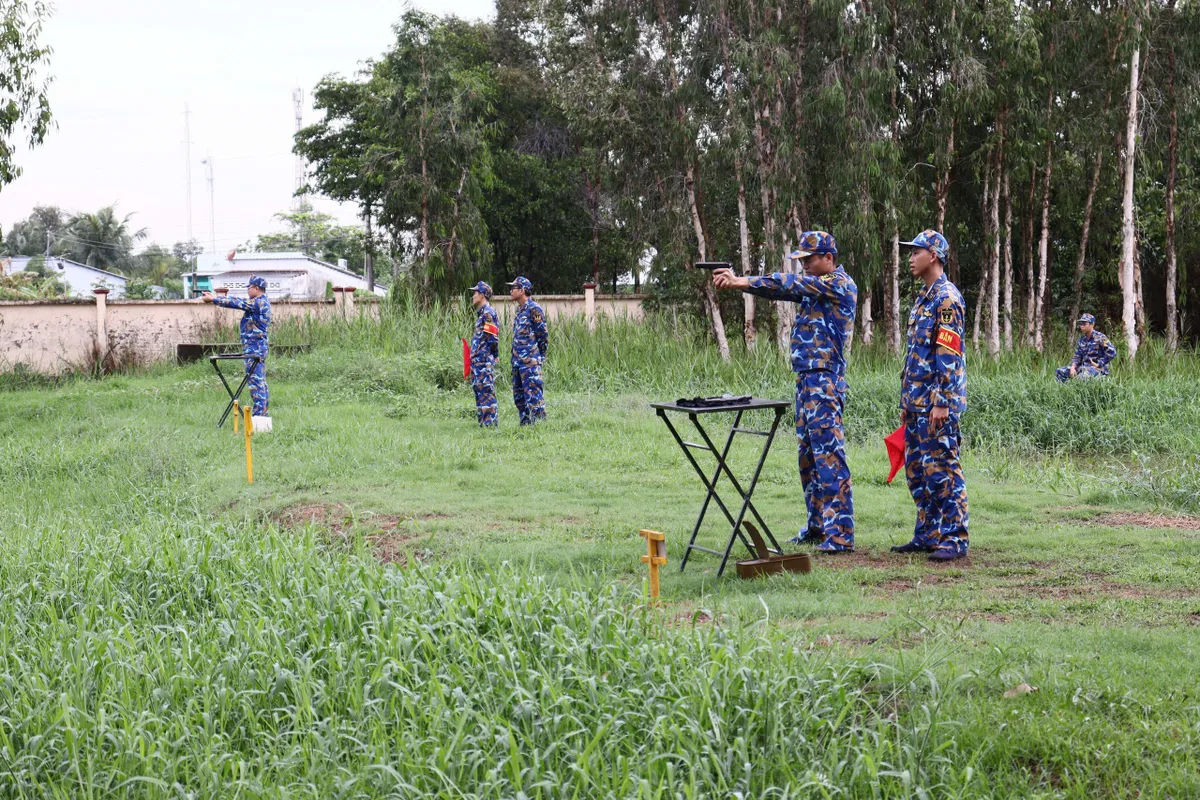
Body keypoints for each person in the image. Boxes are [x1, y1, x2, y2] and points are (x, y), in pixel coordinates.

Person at [712, 231, 857, 553]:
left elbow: (786, 284)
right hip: (806, 380)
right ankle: (818, 526)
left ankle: (840, 535)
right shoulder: (815, 287)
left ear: (829, 258)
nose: (804, 265)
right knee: (808, 458)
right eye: (801, 260)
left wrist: (741, 282)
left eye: (809, 259)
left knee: (828, 456)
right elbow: (785, 290)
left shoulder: (837, 284)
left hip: (825, 380)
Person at [892, 230, 969, 561]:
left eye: (915, 251)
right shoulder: (924, 297)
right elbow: (915, 356)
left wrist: (941, 401)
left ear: (933, 255)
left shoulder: (946, 298)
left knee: (942, 469)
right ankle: (928, 533)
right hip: (917, 402)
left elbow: (947, 354)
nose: (910, 258)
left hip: (936, 404)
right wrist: (906, 404)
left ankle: (954, 537)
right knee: (918, 472)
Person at [202, 276, 273, 432]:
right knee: (260, 383)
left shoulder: (258, 302)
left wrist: (214, 299)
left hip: (254, 349)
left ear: (255, 288)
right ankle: (263, 423)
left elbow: (236, 303)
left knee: (256, 385)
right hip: (257, 348)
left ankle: (259, 424)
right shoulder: (262, 302)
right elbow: (239, 301)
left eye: (249, 287)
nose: (247, 290)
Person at [507, 276, 548, 425]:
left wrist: (538, 356)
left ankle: (539, 426)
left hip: (530, 361)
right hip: (518, 361)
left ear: (522, 290)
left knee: (534, 395)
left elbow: (542, 335)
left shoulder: (534, 309)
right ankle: (525, 425)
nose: (511, 291)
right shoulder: (519, 310)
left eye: (514, 288)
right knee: (519, 396)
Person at [468, 281, 500, 427]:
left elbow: (493, 338)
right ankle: (483, 423)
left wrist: (494, 355)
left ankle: (490, 424)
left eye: (475, 293)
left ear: (482, 295)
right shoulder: (481, 314)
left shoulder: (488, 314)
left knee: (486, 391)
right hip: (478, 360)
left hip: (484, 359)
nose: (473, 296)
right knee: (479, 391)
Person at [1056, 314, 1116, 383]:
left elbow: (1112, 352)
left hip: (1097, 369)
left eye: (1084, 323)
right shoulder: (1082, 339)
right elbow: (1077, 356)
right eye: (1081, 323)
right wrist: (1073, 367)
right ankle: (1065, 391)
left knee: (1080, 378)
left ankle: (1079, 392)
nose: (1082, 326)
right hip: (1083, 367)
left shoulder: (1100, 337)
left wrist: (1100, 363)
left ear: (1092, 324)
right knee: (1060, 371)